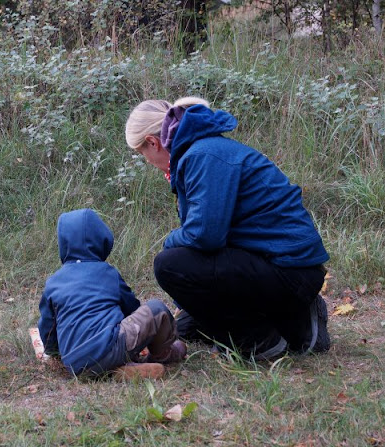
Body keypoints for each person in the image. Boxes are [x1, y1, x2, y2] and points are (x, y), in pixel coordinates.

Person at [124, 97, 331, 360]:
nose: (149, 162)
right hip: (277, 264)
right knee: (188, 326)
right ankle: (298, 320)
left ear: (152, 143)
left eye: (143, 155)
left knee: (169, 264)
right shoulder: (200, 151)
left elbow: (204, 237)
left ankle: (257, 342)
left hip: (291, 270)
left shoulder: (203, 156)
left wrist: (169, 242)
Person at [38, 208, 187, 377]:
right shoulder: (108, 273)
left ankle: (115, 371)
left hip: (74, 364)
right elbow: (132, 308)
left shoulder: (54, 281)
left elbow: (47, 327)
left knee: (98, 357)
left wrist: (54, 353)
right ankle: (161, 354)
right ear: (101, 239)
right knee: (156, 309)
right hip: (109, 348)